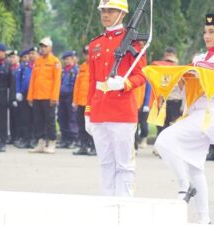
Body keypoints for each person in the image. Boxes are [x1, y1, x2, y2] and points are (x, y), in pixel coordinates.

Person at [154, 13, 214, 224]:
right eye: (205, 32)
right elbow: (190, 93)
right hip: (193, 114)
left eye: (211, 32)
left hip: (209, 116)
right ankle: (205, 220)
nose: (207, 36)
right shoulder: (198, 58)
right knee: (196, 168)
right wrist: (184, 83)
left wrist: (205, 83)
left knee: (163, 141)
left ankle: (183, 186)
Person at [85, 0, 147, 196]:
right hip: (99, 111)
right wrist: (88, 111)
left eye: (110, 10)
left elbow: (142, 74)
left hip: (121, 112)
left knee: (124, 165)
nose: (105, 14)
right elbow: (92, 81)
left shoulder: (133, 42)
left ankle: (124, 208)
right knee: (105, 164)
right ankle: (108, 208)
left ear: (122, 13)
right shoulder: (95, 43)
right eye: (103, 10)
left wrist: (124, 83)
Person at [27, 37, 62, 154]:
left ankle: (52, 142)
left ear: (50, 48)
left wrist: (54, 97)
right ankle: (41, 143)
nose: (43, 49)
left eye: (45, 46)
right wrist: (30, 96)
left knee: (50, 121)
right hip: (37, 96)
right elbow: (33, 80)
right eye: (41, 46)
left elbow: (57, 81)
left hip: (48, 97)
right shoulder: (38, 61)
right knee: (38, 120)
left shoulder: (55, 62)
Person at [72, 46, 95, 156]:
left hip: (92, 102)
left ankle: (94, 147)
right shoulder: (82, 67)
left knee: (93, 126)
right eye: (85, 54)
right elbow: (77, 85)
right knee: (81, 125)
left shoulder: (97, 66)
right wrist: (75, 101)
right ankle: (83, 146)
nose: (87, 56)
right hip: (81, 101)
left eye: (89, 53)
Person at [57, 50, 79, 149]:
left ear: (72, 59)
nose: (66, 61)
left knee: (72, 119)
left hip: (71, 96)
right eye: (65, 59)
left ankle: (73, 139)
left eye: (68, 59)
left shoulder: (75, 70)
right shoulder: (62, 71)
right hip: (62, 96)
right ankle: (65, 139)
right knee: (62, 117)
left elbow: (76, 86)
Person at [14, 48, 35, 149]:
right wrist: (18, 91)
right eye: (28, 55)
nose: (29, 57)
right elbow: (17, 79)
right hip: (24, 93)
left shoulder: (38, 66)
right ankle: (26, 138)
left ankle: (33, 139)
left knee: (34, 118)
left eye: (31, 54)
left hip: (35, 94)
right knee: (25, 118)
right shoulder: (23, 67)